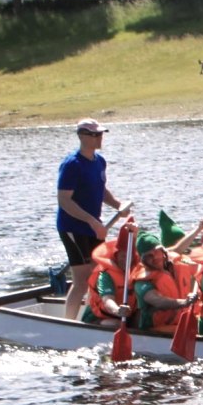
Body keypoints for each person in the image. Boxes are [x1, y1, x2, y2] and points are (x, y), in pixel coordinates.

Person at [56, 118, 133, 320]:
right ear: (82, 136)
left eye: (100, 134)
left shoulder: (99, 161)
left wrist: (117, 205)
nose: (99, 138)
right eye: (94, 135)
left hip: (94, 227)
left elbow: (101, 189)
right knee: (81, 280)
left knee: (97, 274)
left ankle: (92, 316)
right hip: (73, 227)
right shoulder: (72, 165)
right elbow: (64, 200)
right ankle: (68, 323)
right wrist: (92, 222)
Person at [129, 232, 199, 333]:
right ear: (143, 260)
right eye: (149, 256)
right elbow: (158, 301)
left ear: (163, 252)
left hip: (181, 321)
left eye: (157, 252)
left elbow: (200, 270)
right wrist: (185, 302)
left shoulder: (176, 266)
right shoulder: (142, 281)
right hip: (155, 329)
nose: (155, 258)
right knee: (191, 331)